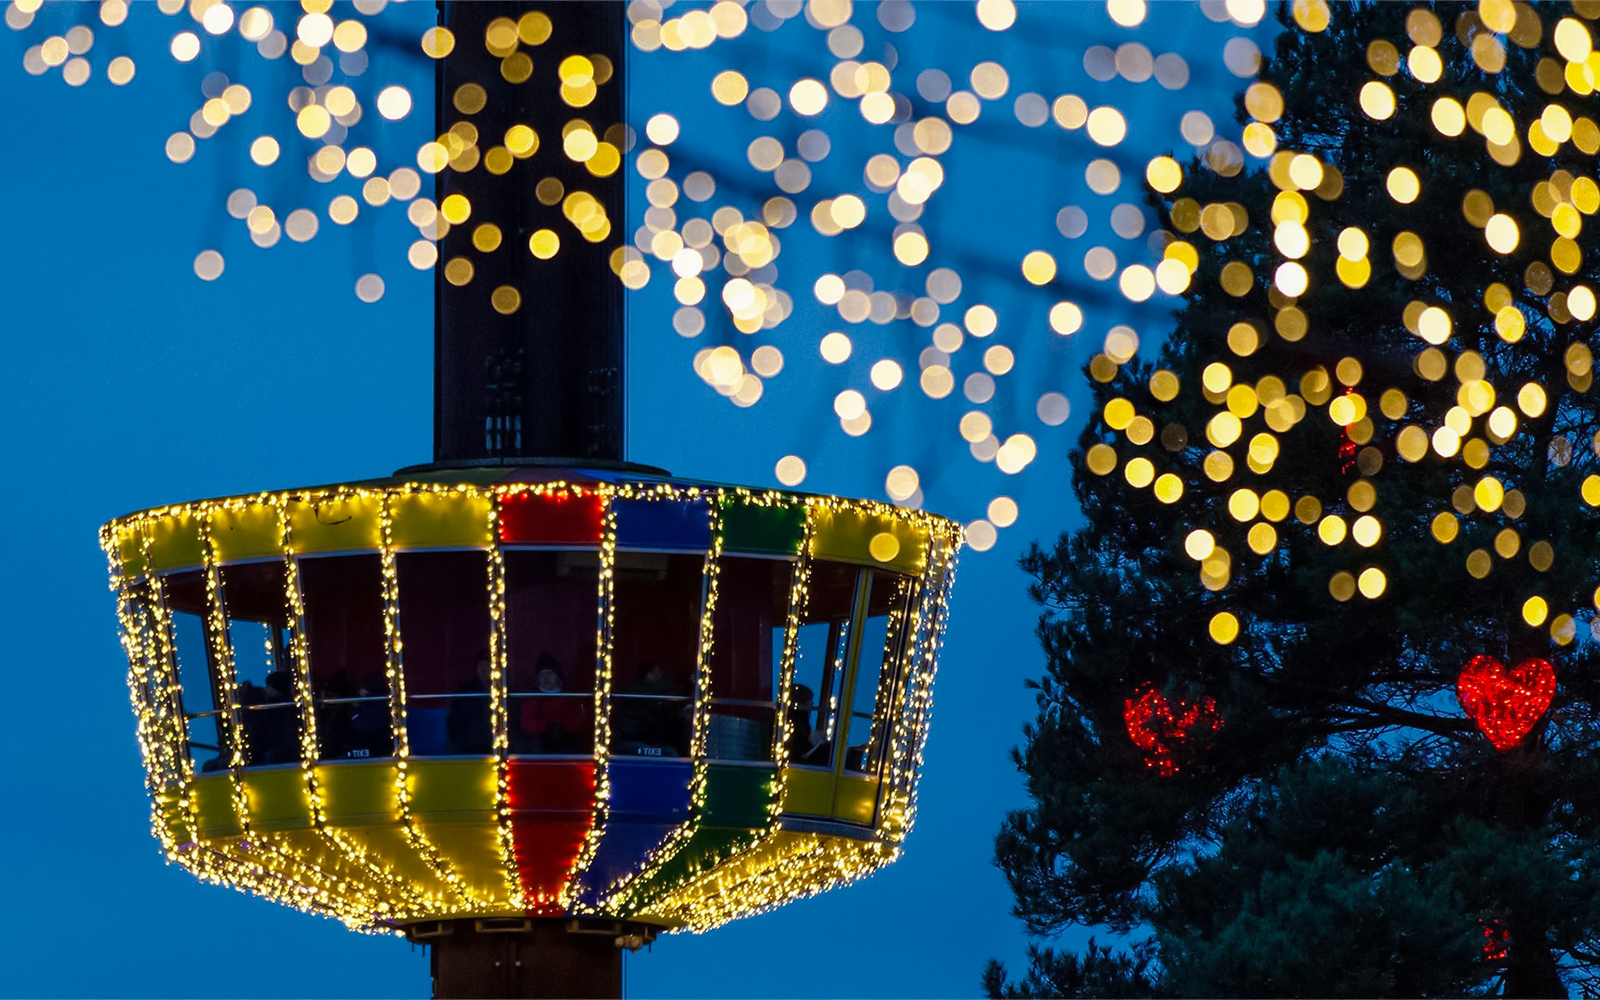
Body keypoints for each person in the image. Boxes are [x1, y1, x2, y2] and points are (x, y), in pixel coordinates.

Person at [518, 654, 587, 754]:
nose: (546, 678)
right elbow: (526, 724)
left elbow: (580, 721)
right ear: (537, 679)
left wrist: (561, 726)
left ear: (557, 676)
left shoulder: (570, 697)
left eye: (550, 673)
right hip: (539, 743)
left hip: (567, 741)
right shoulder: (531, 699)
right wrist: (548, 726)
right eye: (542, 674)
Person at [446, 653, 492, 755]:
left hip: (491, 744)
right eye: (481, 666)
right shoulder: (466, 691)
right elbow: (455, 719)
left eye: (487, 666)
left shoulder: (502, 690)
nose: (484, 670)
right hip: (469, 745)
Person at [349, 671, 392, 758]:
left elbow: (363, 724)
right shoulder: (385, 702)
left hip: (373, 743)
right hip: (384, 743)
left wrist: (355, 712)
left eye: (362, 688)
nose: (359, 691)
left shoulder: (372, 703)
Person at [788, 684, 831, 766]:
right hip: (797, 766)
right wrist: (816, 743)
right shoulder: (797, 722)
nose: (812, 703)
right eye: (809, 700)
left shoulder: (797, 721)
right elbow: (799, 749)